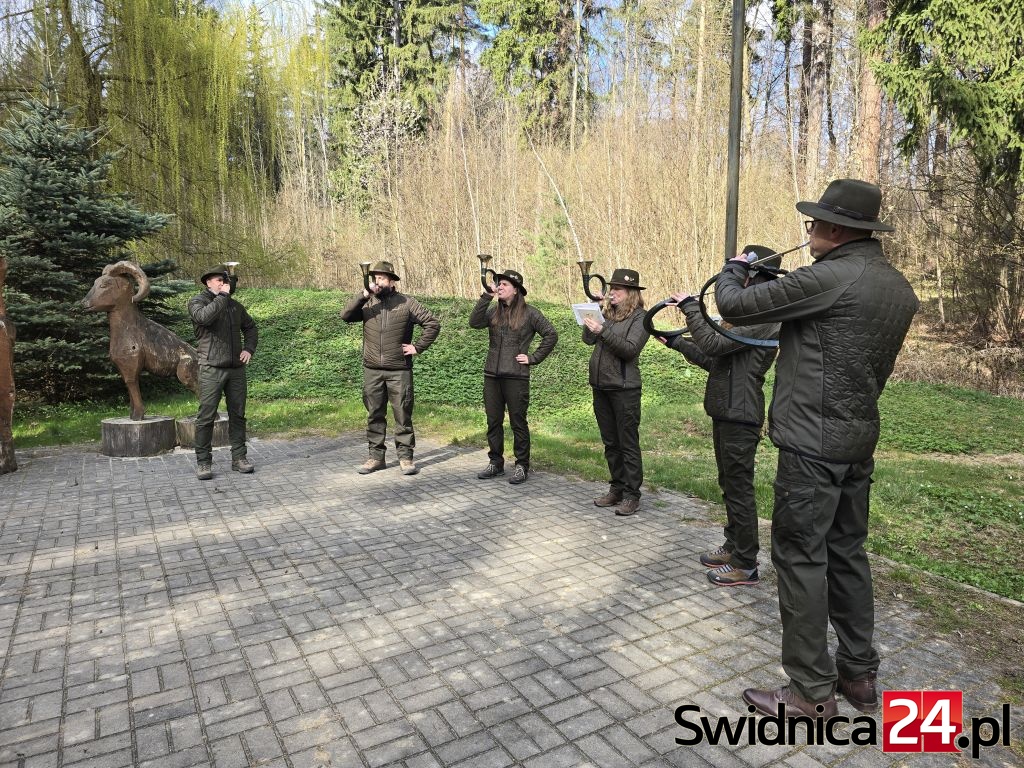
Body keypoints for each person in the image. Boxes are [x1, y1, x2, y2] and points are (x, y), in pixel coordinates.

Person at [714, 179, 919, 719]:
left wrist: (736, 265)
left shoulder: (828, 276)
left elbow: (732, 304)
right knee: (847, 552)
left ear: (835, 228)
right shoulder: (897, 286)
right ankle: (859, 675)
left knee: (801, 556)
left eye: (814, 224)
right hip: (857, 440)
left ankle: (810, 691)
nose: (808, 233)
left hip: (811, 445)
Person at [659, 245, 781, 586]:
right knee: (729, 485)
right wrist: (676, 343)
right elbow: (714, 360)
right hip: (726, 410)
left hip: (741, 413)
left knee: (739, 490)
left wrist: (690, 308)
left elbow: (714, 345)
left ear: (754, 277)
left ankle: (746, 563)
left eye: (742, 276)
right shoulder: (746, 317)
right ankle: (733, 546)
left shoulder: (764, 317)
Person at [341, 260, 440, 476]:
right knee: (374, 414)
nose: (378, 282)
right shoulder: (367, 303)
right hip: (372, 370)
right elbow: (345, 315)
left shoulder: (407, 303)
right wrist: (363, 295)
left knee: (402, 414)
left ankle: (405, 458)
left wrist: (417, 347)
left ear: (392, 281)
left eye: (382, 278)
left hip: (399, 370)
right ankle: (376, 458)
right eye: (375, 278)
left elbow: (432, 323)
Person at [470, 270, 558, 485]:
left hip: (516, 377)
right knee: (493, 421)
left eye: (504, 285)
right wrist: (486, 296)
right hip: (492, 375)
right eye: (498, 284)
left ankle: (521, 465)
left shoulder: (530, 313)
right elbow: (474, 322)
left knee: (518, 422)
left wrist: (533, 358)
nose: (499, 287)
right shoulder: (494, 312)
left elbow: (551, 334)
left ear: (516, 290)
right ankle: (496, 463)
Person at [583, 268, 650, 517]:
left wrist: (603, 331)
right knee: (610, 443)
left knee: (627, 443)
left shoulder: (641, 318)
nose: (612, 293)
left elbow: (630, 350)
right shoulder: (608, 314)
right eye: (612, 289)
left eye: (617, 289)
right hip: (601, 387)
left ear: (631, 293)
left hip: (624, 389)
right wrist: (594, 314)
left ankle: (632, 495)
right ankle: (617, 489)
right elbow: (588, 340)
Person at [189, 265, 259, 480]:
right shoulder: (197, 302)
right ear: (208, 282)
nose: (223, 283)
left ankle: (239, 458)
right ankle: (203, 462)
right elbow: (204, 318)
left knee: (238, 414)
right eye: (218, 280)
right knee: (206, 416)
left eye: (224, 280)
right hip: (211, 367)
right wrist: (222, 297)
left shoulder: (235, 306)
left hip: (236, 369)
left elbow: (251, 327)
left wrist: (248, 349)